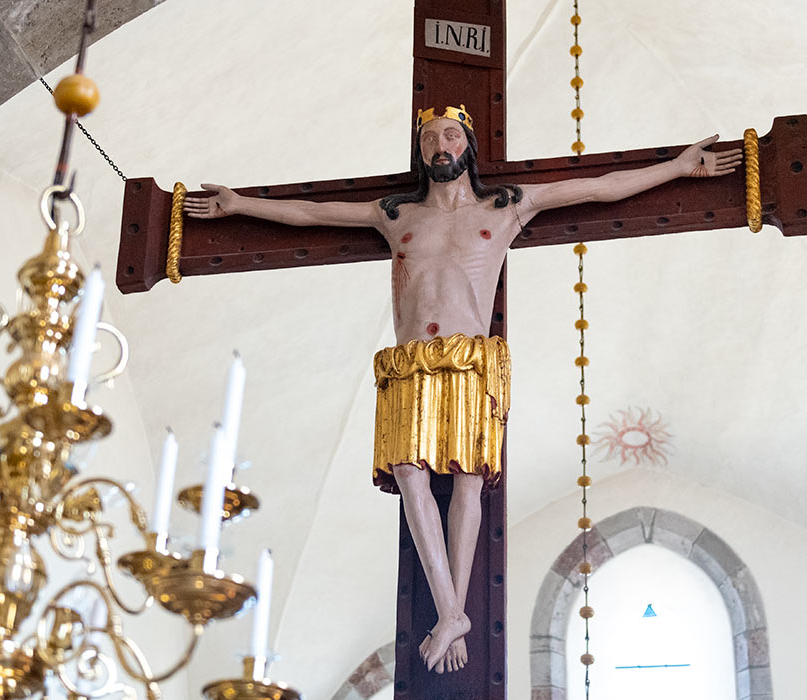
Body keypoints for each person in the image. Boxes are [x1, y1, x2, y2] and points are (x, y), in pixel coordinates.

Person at [183, 105, 742, 674]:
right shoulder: (394, 214)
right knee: (409, 475)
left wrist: (676, 168)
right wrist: (240, 204)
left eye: (451, 134)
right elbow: (309, 213)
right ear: (422, 153)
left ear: (468, 146)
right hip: (409, 362)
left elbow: (598, 188)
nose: (440, 144)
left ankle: (453, 614)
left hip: (471, 360)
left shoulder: (505, 208)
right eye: (430, 138)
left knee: (468, 482)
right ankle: (452, 611)